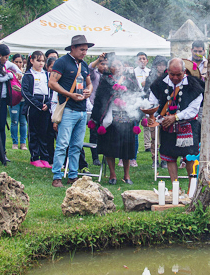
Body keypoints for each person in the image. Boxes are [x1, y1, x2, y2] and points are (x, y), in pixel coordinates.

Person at [143, 58, 205, 185]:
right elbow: (152, 104)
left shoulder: (194, 86)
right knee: (170, 156)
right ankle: (174, 187)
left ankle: (192, 188)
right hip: (167, 126)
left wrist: (175, 117)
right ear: (167, 71)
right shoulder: (158, 85)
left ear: (184, 72)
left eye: (178, 75)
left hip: (188, 126)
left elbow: (193, 109)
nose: (175, 78)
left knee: (190, 157)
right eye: (172, 74)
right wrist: (154, 117)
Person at [50, 35, 94, 187]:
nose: (84, 53)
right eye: (82, 49)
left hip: (82, 110)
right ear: (73, 48)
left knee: (76, 146)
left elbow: (90, 84)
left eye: (86, 50)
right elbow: (52, 83)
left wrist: (88, 91)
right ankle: (57, 176)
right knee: (62, 144)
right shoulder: (62, 62)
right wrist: (69, 94)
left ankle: (73, 175)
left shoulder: (84, 65)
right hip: (68, 108)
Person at [90, 54, 140, 185]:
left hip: (127, 117)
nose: (117, 68)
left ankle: (127, 175)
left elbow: (137, 95)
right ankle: (112, 174)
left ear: (123, 66)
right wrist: (113, 93)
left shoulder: (131, 80)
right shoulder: (105, 80)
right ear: (109, 68)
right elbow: (100, 99)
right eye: (113, 65)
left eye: (119, 65)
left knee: (126, 148)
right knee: (109, 148)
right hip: (110, 118)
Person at [21, 50, 54, 168]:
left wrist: (48, 104)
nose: (41, 63)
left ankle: (44, 157)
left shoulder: (47, 75)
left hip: (46, 106)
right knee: (33, 132)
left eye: (43, 61)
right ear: (31, 61)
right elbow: (25, 92)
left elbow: (52, 91)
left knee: (44, 133)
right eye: (38, 60)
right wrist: (38, 105)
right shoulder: (28, 75)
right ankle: (35, 157)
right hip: (33, 107)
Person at [8, 53, 28, 150]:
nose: (19, 64)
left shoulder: (26, 73)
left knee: (23, 122)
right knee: (14, 121)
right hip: (14, 100)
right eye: (16, 62)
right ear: (12, 62)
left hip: (24, 100)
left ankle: (23, 143)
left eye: (20, 62)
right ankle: (15, 142)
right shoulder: (9, 72)